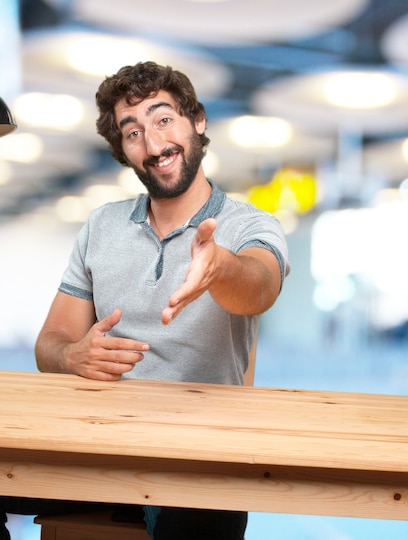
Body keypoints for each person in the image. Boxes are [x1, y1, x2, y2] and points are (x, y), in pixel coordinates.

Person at [0, 61, 289, 540]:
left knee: (200, 522)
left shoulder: (248, 225)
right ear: (123, 151)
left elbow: (260, 286)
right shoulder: (101, 226)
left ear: (197, 121)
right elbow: (50, 343)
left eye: (163, 119)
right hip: (96, 444)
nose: (153, 145)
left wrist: (220, 266)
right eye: (132, 132)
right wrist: (72, 356)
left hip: (196, 455)